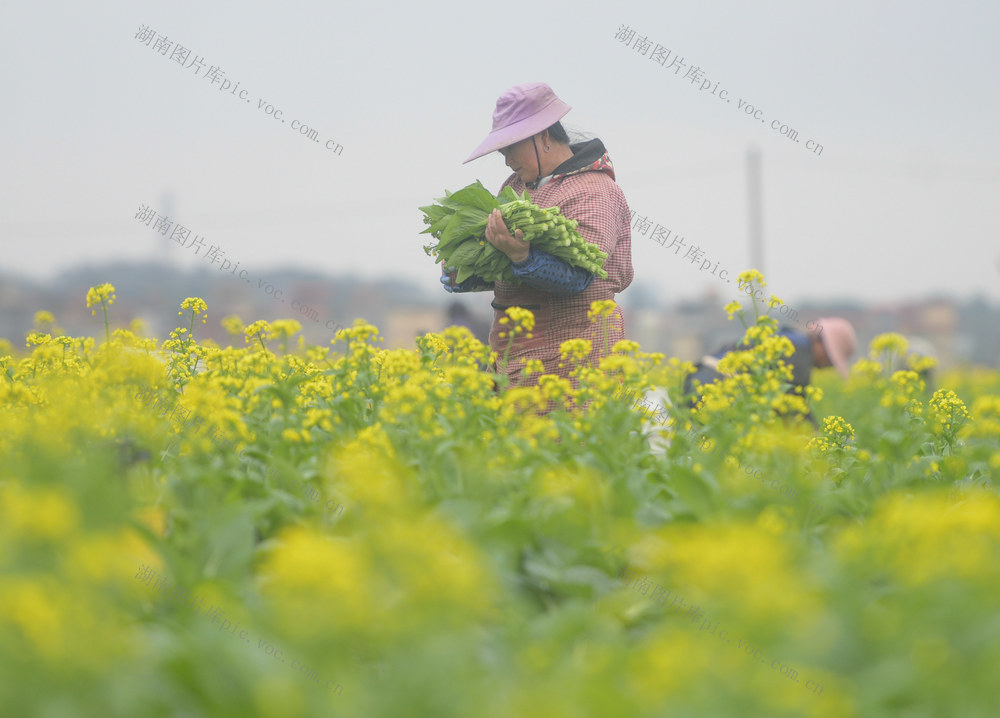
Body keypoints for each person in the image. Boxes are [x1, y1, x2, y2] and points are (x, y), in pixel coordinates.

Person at [440, 82, 633, 387]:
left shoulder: (595, 191)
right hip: (512, 356)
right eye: (503, 152)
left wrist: (522, 256)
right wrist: (467, 273)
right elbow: (508, 271)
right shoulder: (515, 187)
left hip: (574, 359)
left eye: (512, 149)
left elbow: (578, 278)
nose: (507, 160)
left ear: (543, 136)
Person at [682, 317, 857, 424]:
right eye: (831, 360)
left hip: (699, 376)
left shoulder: (790, 338)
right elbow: (794, 407)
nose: (827, 367)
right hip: (715, 385)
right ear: (822, 345)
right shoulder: (800, 352)